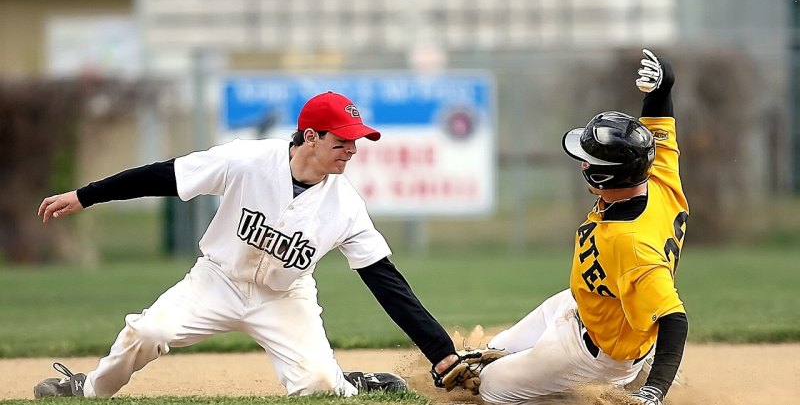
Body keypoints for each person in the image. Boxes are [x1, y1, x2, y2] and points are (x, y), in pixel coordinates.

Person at [33, 91, 460, 399]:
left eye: (355, 141)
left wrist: (441, 353)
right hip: (216, 281)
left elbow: (387, 282)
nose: (352, 149)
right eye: (342, 140)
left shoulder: (345, 205)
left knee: (320, 388)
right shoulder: (248, 161)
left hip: (283, 297)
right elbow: (166, 175)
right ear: (310, 137)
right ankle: (86, 389)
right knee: (147, 331)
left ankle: (349, 382)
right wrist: (86, 196)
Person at [475, 49, 689, 405]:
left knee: (487, 389)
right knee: (489, 353)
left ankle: (614, 386)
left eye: (588, 161)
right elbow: (659, 125)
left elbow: (674, 319)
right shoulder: (659, 178)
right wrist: (662, 87)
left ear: (604, 175)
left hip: (596, 356)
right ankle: (634, 366)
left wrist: (656, 391)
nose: (582, 165)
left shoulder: (631, 243)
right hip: (586, 303)